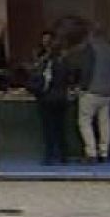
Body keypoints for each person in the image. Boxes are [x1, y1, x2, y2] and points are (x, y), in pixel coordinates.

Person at [76, 25, 110, 163]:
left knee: (85, 122)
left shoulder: (90, 50)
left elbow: (86, 69)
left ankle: (91, 152)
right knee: (104, 122)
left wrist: (81, 87)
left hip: (90, 90)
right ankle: (104, 151)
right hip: (107, 91)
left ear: (92, 36)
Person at [30, 31, 74, 165]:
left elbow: (45, 81)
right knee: (61, 128)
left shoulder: (46, 63)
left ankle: (49, 156)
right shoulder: (65, 63)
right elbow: (70, 79)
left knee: (48, 129)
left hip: (48, 99)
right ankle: (63, 156)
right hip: (61, 98)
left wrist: (38, 91)